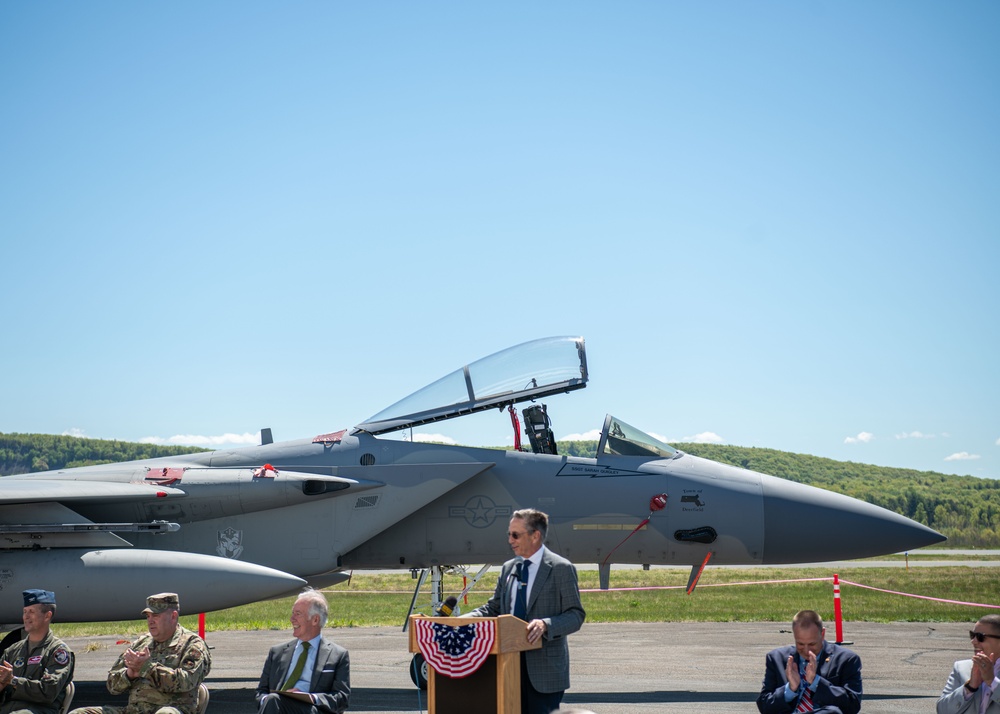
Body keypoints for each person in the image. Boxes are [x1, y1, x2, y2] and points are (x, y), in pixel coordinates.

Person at [468, 508, 586, 714]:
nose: (510, 540)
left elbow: (575, 615)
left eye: (515, 535)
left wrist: (545, 625)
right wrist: (461, 620)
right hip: (508, 667)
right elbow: (493, 608)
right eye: (509, 534)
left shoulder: (561, 568)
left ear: (535, 536)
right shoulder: (508, 568)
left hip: (544, 673)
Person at [70, 592, 211, 714]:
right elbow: (112, 686)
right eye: (148, 616)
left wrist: (146, 668)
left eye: (155, 615)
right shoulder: (141, 643)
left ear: (173, 616)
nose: (150, 621)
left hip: (172, 710)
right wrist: (129, 674)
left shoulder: (192, 645)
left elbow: (186, 681)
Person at [255, 588, 350, 714]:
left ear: (315, 620)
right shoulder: (277, 652)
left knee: (274, 701)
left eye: (298, 614)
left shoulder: (337, 655)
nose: (291, 619)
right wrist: (266, 701)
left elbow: (341, 699)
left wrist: (311, 697)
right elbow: (261, 692)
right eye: (292, 613)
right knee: (273, 700)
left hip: (311, 709)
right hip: (276, 706)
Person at [756, 610, 862, 714]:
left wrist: (816, 682)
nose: (807, 650)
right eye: (800, 644)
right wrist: (790, 689)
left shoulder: (847, 659)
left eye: (812, 644)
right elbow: (764, 706)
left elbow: (852, 706)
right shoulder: (777, 658)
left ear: (823, 633)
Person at [0, 589, 75, 714]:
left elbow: (48, 692)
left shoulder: (58, 652)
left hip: (39, 710)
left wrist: (13, 680)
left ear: (47, 615)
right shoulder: (12, 651)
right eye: (25, 612)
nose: (26, 616)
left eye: (31, 612)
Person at [937, 614, 1000, 713]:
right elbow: (943, 710)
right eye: (972, 635)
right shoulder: (961, 668)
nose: (973, 641)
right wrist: (969, 687)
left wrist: (992, 681)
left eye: (980, 637)